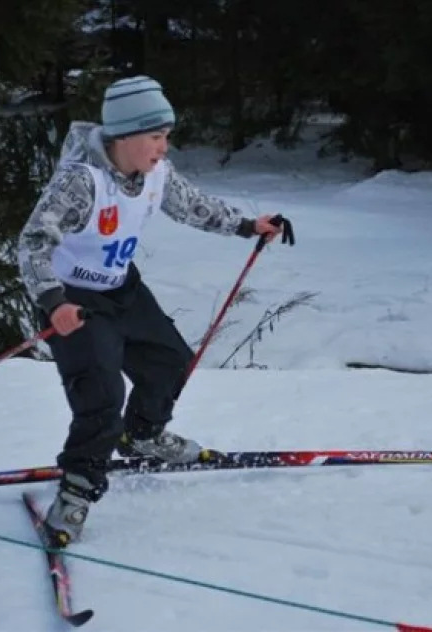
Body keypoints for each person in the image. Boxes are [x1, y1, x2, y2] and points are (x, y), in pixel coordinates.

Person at [16, 75, 289, 546]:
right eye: (156, 137)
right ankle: (78, 488)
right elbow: (33, 242)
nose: (165, 147)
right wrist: (53, 302)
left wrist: (247, 225)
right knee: (101, 396)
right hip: (74, 302)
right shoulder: (81, 181)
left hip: (123, 290)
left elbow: (191, 206)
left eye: (166, 136)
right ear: (124, 136)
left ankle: (142, 435)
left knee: (170, 362)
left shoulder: (154, 173)